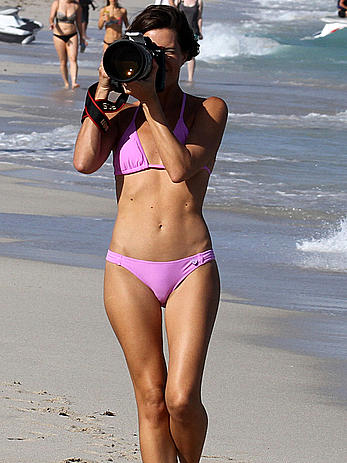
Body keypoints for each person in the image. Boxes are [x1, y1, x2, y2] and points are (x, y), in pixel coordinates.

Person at [74, 5, 227, 462]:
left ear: (185, 54)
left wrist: (152, 101)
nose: (158, 60)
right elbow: (84, 162)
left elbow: (180, 168)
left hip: (190, 266)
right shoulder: (118, 112)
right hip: (127, 269)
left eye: (168, 51)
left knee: (181, 399)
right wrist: (102, 95)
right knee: (151, 400)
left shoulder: (208, 109)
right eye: (149, 50)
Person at [49, 0, 87, 89]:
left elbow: (79, 23)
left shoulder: (76, 6)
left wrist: (82, 37)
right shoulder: (57, 3)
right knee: (63, 61)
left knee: (73, 59)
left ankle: (74, 82)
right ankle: (66, 83)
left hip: (72, 34)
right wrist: (51, 23)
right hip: (58, 35)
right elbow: (51, 17)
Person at [176, 0, 203, 82]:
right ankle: (176, 76)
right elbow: (175, 14)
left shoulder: (199, 1)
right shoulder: (180, 1)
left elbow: (199, 18)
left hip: (194, 31)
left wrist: (200, 32)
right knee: (179, 53)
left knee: (191, 54)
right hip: (181, 30)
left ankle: (190, 78)